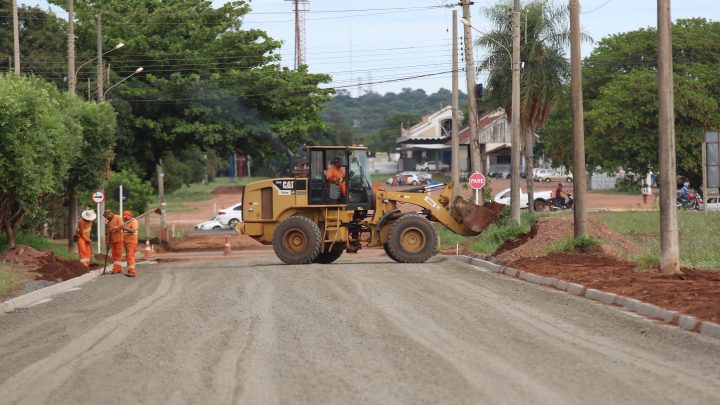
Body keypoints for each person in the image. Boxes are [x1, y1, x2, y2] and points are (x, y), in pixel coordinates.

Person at [104, 209, 124, 274]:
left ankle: (115, 269)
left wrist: (115, 228)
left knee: (118, 254)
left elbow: (121, 226)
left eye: (107, 217)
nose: (106, 218)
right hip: (112, 240)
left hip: (119, 239)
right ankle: (119, 268)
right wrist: (108, 243)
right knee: (114, 255)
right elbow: (109, 233)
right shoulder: (108, 222)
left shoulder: (118, 217)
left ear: (110, 215)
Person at [122, 210, 139, 277]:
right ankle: (130, 270)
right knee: (128, 256)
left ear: (130, 216)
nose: (125, 218)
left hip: (131, 241)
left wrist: (125, 228)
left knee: (130, 256)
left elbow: (133, 230)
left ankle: (132, 272)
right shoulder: (127, 222)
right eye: (124, 217)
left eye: (126, 217)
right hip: (127, 241)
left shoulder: (134, 221)